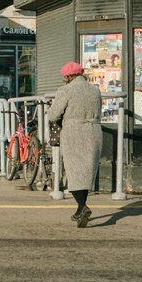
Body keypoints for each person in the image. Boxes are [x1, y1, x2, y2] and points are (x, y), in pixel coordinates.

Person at [48, 62, 103, 229]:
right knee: (86, 172)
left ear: (67, 77)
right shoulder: (95, 90)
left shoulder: (65, 90)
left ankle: (82, 206)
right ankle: (80, 209)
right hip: (94, 130)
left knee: (73, 172)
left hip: (74, 132)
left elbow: (53, 115)